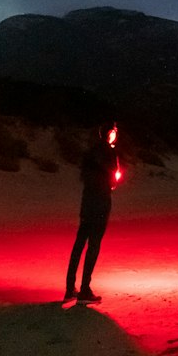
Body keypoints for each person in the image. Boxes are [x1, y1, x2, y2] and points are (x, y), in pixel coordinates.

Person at [64, 121, 121, 303]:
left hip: (87, 201)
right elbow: (114, 175)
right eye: (113, 133)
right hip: (101, 201)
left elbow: (85, 176)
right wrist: (111, 182)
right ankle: (85, 289)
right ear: (109, 134)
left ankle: (69, 288)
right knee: (94, 244)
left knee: (80, 243)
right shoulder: (109, 152)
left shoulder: (90, 152)